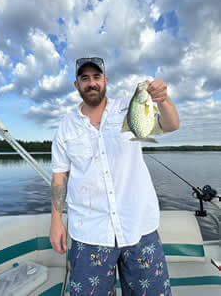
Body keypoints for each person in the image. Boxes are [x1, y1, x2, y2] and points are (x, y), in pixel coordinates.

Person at [50, 57, 179, 295]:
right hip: (89, 232)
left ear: (105, 81)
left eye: (96, 77)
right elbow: (60, 176)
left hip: (139, 227)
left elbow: (170, 125)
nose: (92, 83)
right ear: (76, 85)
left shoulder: (129, 108)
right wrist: (56, 221)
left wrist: (163, 99)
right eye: (85, 78)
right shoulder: (65, 126)